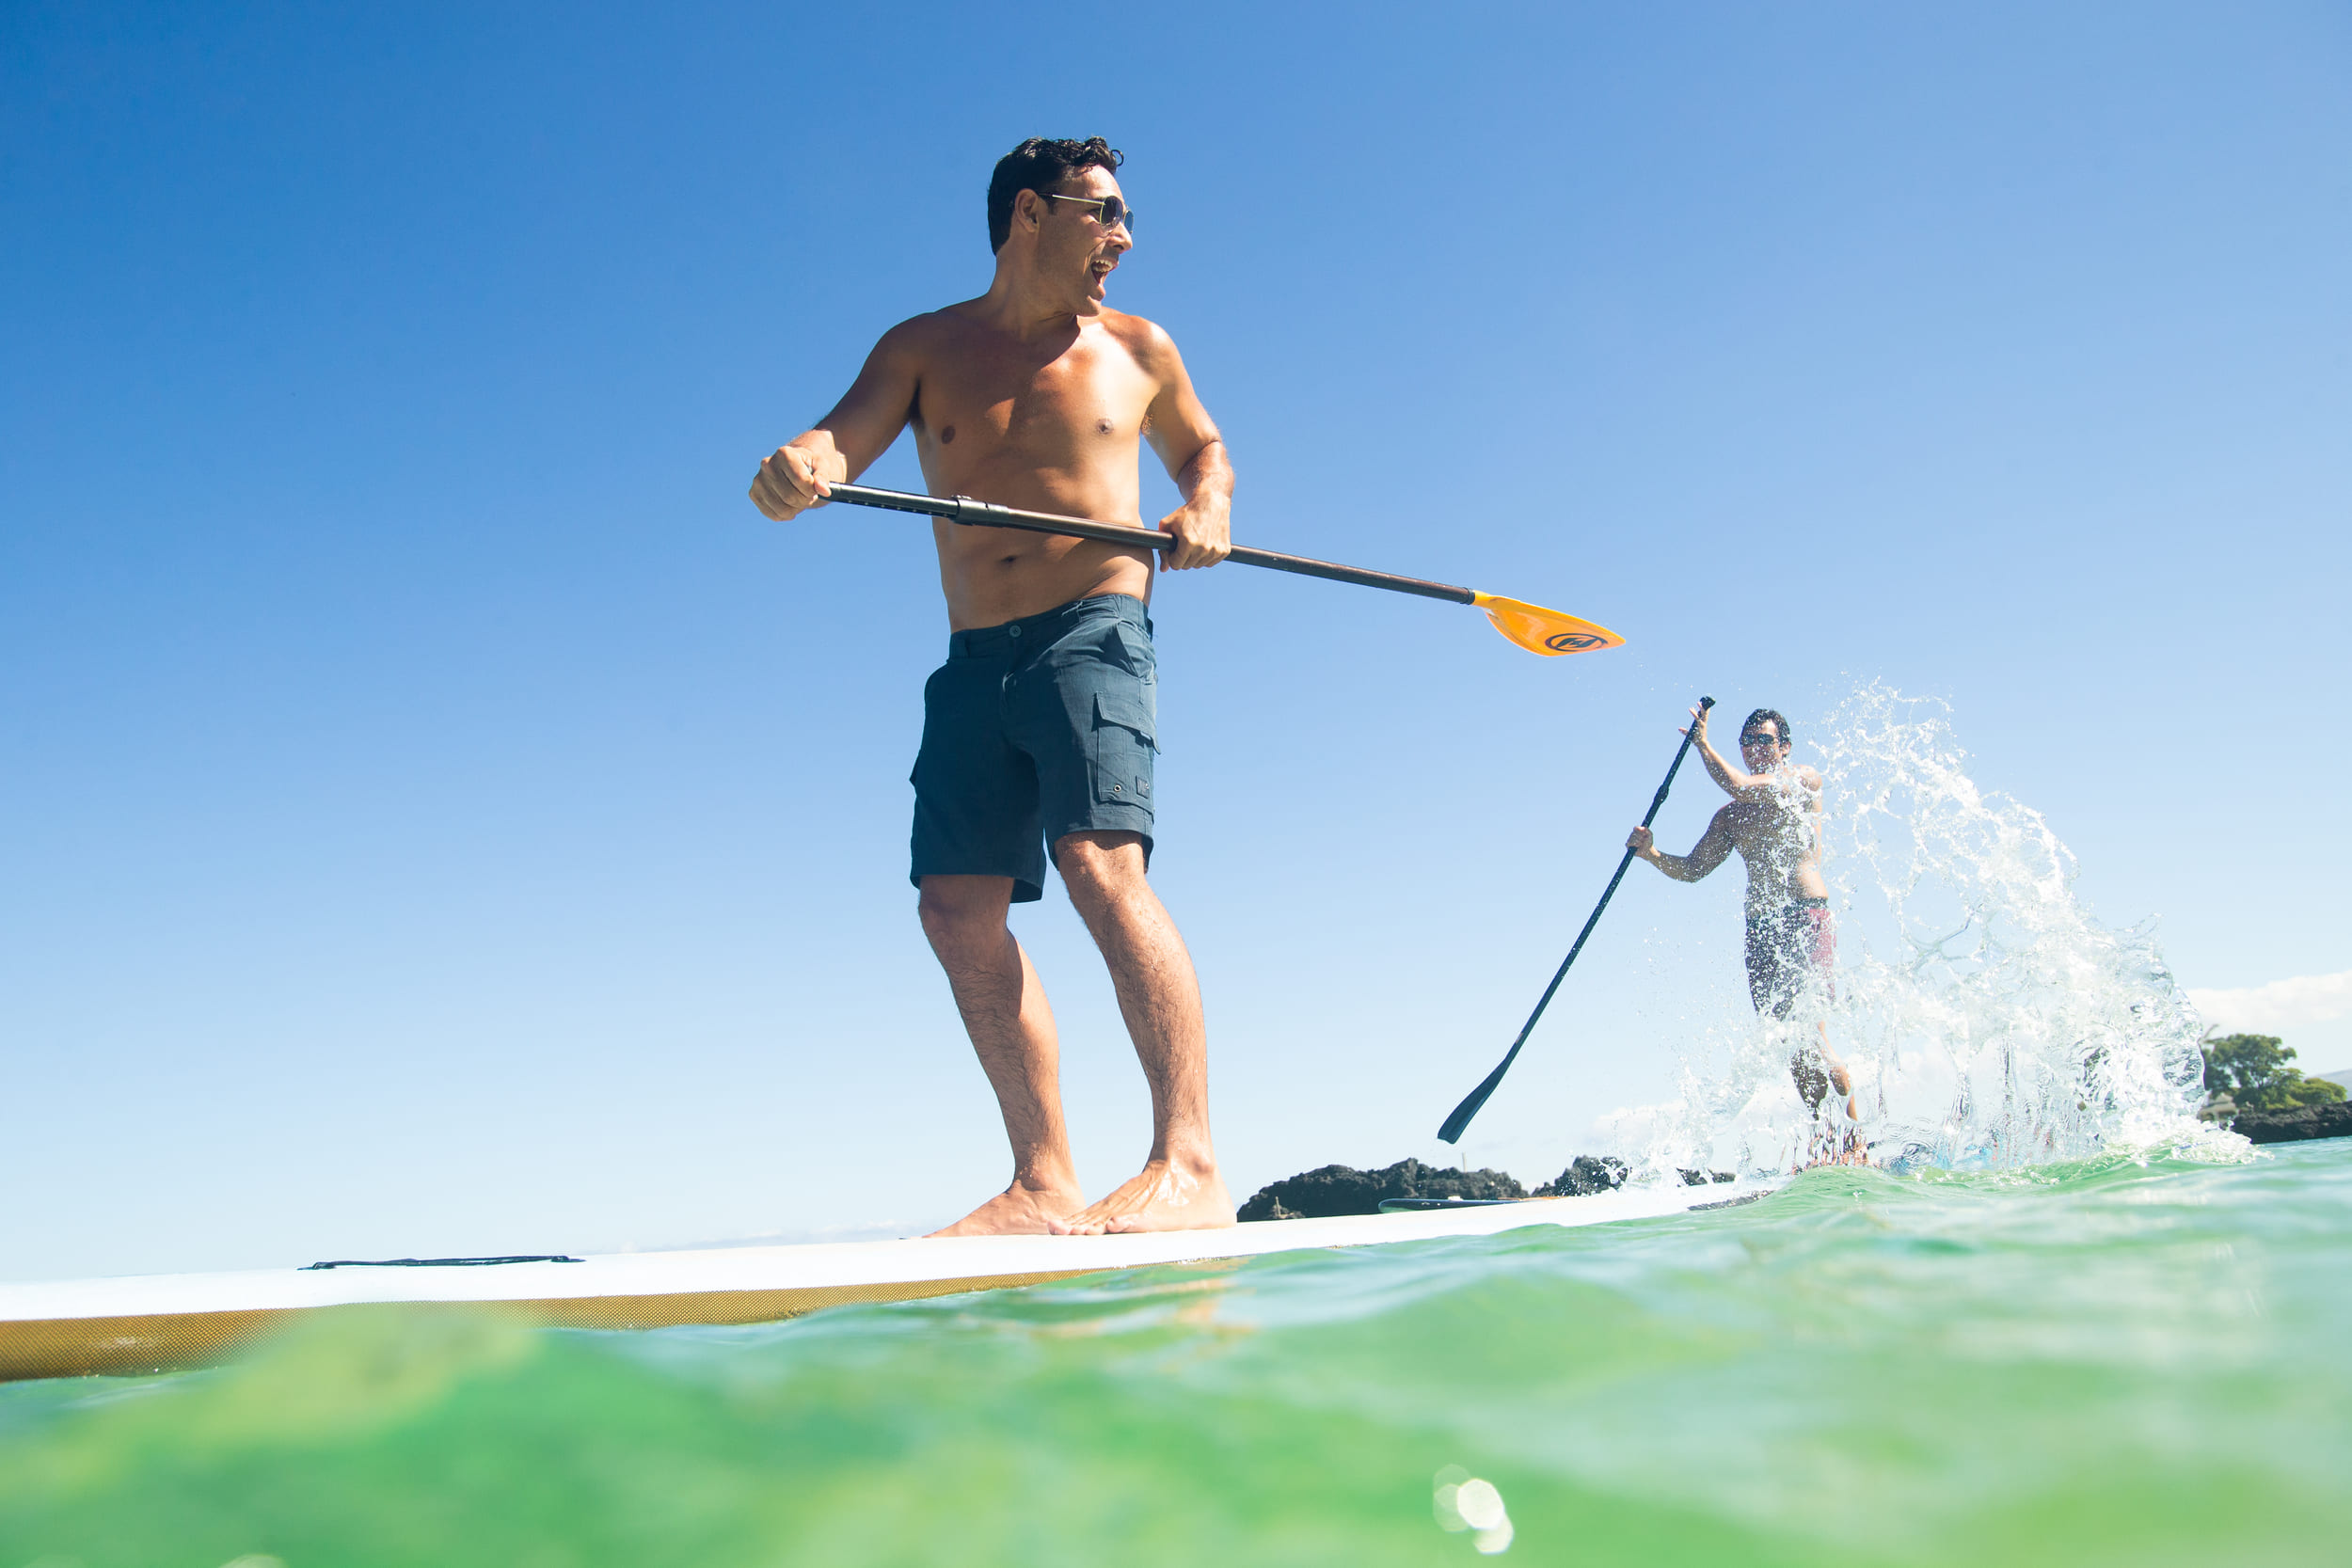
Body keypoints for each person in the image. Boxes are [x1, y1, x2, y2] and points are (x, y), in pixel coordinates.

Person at [746, 137, 1235, 1236]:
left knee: (1099, 864)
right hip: (975, 657)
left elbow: (1204, 451)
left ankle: (1191, 1165)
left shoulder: (1138, 348)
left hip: (1093, 633)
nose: (1122, 238)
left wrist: (1205, 506)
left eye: (1125, 218)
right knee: (953, 906)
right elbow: (841, 437)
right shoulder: (923, 346)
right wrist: (802, 465)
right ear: (1030, 212)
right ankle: (1043, 1180)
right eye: (1103, 213)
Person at [1626, 706, 1860, 1138]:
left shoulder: (1801, 781)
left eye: (1765, 740)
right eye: (1747, 742)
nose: (1755, 749)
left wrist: (1701, 744)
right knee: (1787, 1042)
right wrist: (1651, 854)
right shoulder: (1730, 817)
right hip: (1760, 929)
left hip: (1803, 916)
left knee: (1812, 1032)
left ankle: (1855, 1136)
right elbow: (1694, 869)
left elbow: (1740, 784)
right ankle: (1823, 1143)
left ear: (1784, 747)